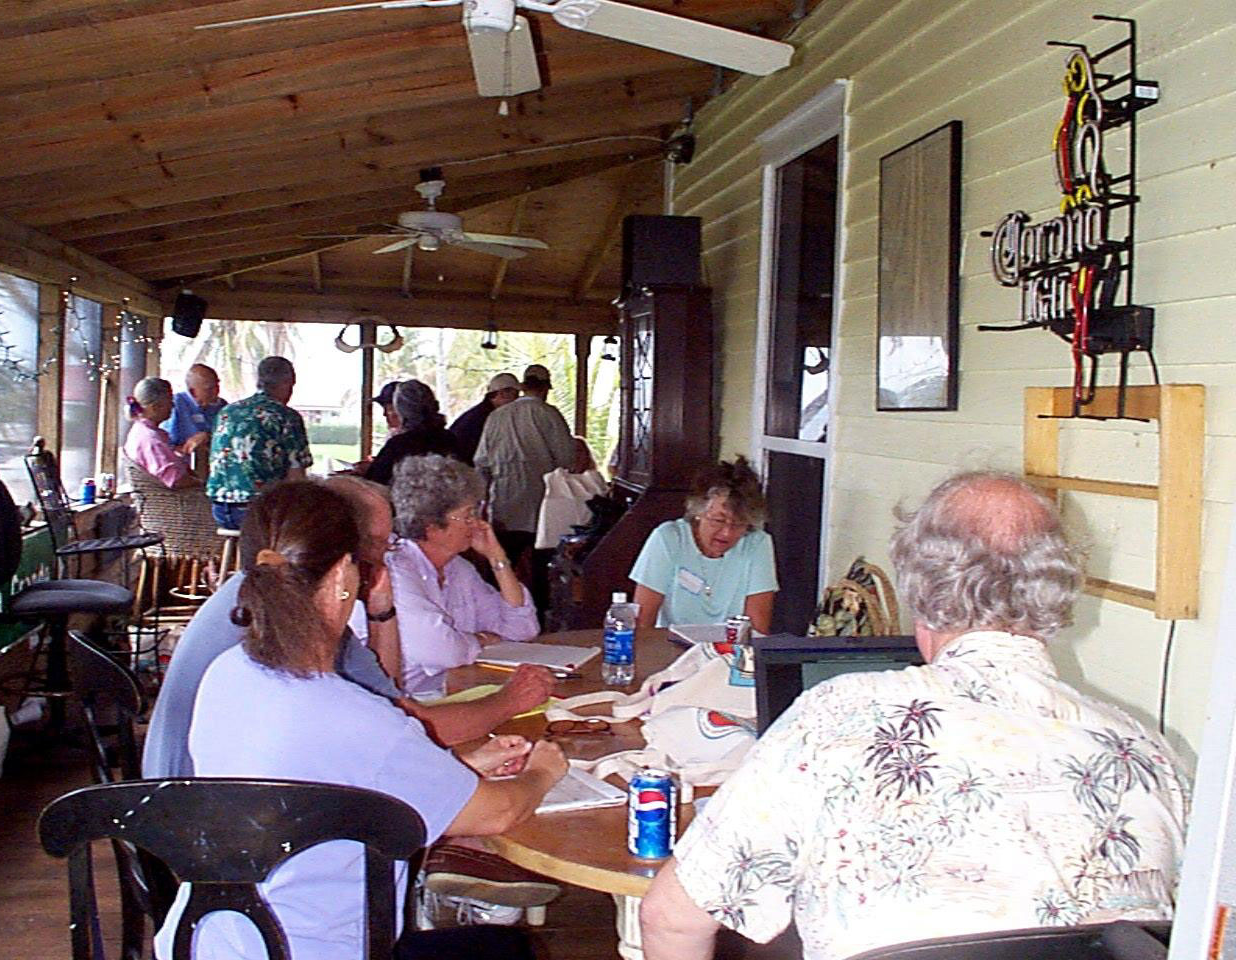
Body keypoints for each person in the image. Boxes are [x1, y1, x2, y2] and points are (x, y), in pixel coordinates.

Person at [640, 471, 1191, 960]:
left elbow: (671, 919)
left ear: (918, 590)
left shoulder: (835, 718)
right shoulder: (1148, 752)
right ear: (1059, 593)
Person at [153, 482, 567, 960]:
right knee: (508, 950)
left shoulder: (230, 673)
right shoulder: (353, 715)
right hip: (309, 950)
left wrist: (461, 769)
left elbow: (325, 782)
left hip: (209, 940)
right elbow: (498, 812)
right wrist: (544, 771)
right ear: (341, 577)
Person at [143, 476, 555, 780]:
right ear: (341, 552)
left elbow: (386, 699)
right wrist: (508, 702)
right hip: (202, 817)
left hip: (189, 803)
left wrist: (381, 611)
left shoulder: (268, 592)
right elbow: (408, 723)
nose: (386, 556)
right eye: (377, 544)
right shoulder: (297, 617)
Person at [389, 454, 539, 698]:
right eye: (468, 515)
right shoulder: (397, 570)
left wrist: (497, 558)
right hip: (402, 702)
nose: (478, 523)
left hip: (452, 692)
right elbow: (440, 651)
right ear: (432, 526)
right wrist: (480, 640)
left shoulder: (459, 570)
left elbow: (522, 630)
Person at [629, 457, 778, 634]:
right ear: (698, 512)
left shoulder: (757, 543)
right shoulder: (668, 538)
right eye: (718, 520)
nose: (727, 533)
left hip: (731, 648)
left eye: (739, 523)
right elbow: (643, 622)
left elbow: (757, 628)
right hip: (670, 645)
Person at [474, 363, 575, 567]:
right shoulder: (549, 414)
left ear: (523, 387)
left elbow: (481, 462)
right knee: (541, 569)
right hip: (542, 507)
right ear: (545, 388)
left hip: (505, 506)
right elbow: (567, 459)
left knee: (504, 566)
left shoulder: (496, 416)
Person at [206, 355, 312, 530]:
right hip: (259, 511)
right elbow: (296, 478)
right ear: (287, 383)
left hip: (219, 509)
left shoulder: (227, 412)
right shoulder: (286, 416)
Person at [364, 379, 465, 486]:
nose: (385, 414)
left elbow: (375, 484)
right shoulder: (450, 439)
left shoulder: (399, 445)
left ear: (401, 411)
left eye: (390, 408)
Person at [121, 377, 205, 488]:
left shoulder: (142, 430)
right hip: (172, 497)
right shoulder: (150, 439)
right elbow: (175, 479)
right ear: (155, 407)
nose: (173, 406)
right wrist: (201, 483)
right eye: (170, 402)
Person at [449, 372, 521, 462]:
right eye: (516, 394)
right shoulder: (486, 418)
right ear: (502, 394)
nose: (517, 400)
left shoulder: (485, 413)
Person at [163, 362, 226, 447]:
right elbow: (166, 444)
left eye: (217, 385)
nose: (216, 391)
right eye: (209, 389)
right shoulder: (175, 404)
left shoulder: (222, 406)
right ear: (193, 392)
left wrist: (208, 436)